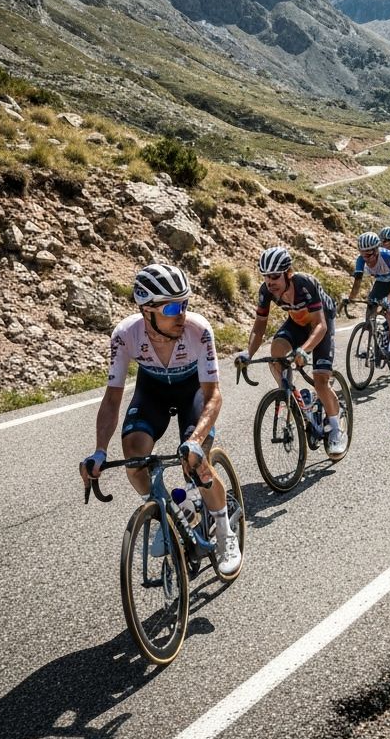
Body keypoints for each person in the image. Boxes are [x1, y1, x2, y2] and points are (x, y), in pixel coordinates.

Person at [80, 263, 241, 574]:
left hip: (190, 392)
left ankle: (224, 530)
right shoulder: (125, 335)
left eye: (185, 303)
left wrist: (195, 441)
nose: (181, 313)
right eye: (171, 307)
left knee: (194, 461)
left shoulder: (199, 331)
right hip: (151, 391)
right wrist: (99, 451)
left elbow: (213, 396)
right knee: (134, 455)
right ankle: (160, 512)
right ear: (147, 311)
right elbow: (112, 398)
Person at [235, 246, 347, 458]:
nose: (270, 282)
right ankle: (292, 395)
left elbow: (320, 326)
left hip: (320, 320)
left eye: (275, 276)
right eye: (266, 277)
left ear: (288, 273)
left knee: (320, 380)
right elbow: (259, 326)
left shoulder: (305, 283)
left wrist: (304, 351)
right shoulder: (266, 291)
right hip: (296, 321)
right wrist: (247, 354)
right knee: (276, 353)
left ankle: (335, 427)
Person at [346, 231, 390, 356]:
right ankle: (370, 345)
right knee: (370, 312)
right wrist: (350, 299)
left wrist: (388, 300)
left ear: (377, 250)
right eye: (363, 255)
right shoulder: (361, 260)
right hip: (381, 282)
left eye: (368, 255)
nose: (366, 259)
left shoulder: (389, 257)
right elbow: (357, 282)